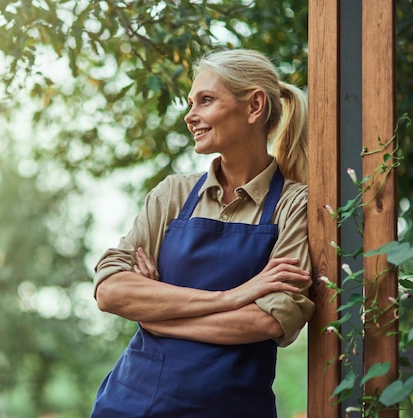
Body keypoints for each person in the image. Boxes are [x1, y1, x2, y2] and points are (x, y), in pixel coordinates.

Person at [89, 49, 315, 418]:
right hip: (129, 404)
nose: (190, 116)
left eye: (205, 101)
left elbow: (269, 319)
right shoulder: (172, 194)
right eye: (190, 102)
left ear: (254, 106)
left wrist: (155, 314)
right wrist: (232, 297)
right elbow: (110, 290)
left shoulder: (294, 204)